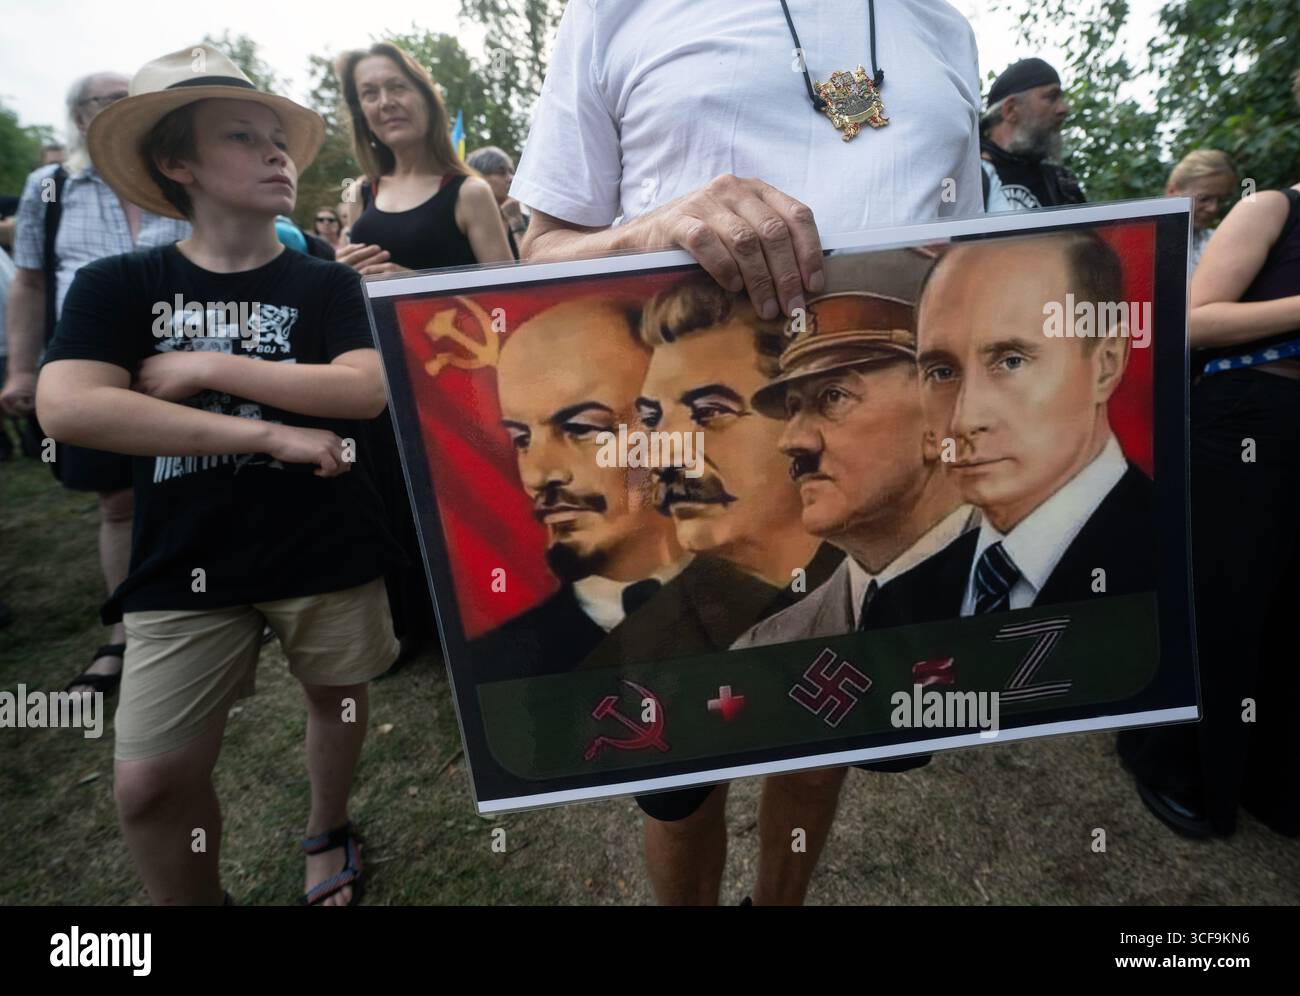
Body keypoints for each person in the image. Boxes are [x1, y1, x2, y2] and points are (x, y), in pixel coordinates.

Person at [509, 0, 983, 903]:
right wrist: (645, 233)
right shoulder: (615, 11)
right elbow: (540, 253)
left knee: (819, 740)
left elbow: (963, 257)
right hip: (721, 515)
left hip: (875, 504)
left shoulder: (946, 26)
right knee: (680, 776)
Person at [35, 45, 401, 905]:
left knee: (336, 701)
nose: (277, 153)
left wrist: (202, 365)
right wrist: (273, 439)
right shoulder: (119, 282)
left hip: (326, 543)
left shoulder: (321, 282)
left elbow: (362, 392)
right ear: (177, 163)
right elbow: (72, 407)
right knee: (150, 782)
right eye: (243, 137)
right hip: (181, 556)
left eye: (279, 138)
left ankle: (328, 827)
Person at [1118, 79, 1300, 839]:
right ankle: (1179, 762)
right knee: (1222, 601)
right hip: (1251, 419)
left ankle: (1271, 776)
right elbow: (1193, 324)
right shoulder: (1275, 208)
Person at [1, 71, 190, 698]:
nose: (115, 110)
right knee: (117, 501)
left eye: (126, 100)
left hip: (185, 363)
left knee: (200, 479)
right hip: (91, 368)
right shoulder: (49, 188)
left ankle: (214, 598)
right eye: (102, 101)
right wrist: (23, 370)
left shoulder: (176, 176)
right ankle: (126, 633)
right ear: (80, 117)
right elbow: (29, 283)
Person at [333, 42, 514, 666]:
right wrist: (343, 275)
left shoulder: (466, 192)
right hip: (383, 379)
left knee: (461, 505)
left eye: (396, 87)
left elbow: (507, 302)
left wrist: (408, 282)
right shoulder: (362, 195)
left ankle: (482, 623)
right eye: (370, 93)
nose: (385, 103)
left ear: (424, 96)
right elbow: (353, 293)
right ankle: (414, 625)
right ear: (361, 113)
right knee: (397, 498)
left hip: (457, 382)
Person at [870, 232, 1153, 625]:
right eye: (941, 371)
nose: (964, 420)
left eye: (1012, 362)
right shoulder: (899, 604)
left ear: (1106, 363)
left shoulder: (1194, 561)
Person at [470, 297, 686, 680]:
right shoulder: (499, 665)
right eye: (522, 440)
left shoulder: (784, 605)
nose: (537, 475)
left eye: (582, 428)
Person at [979, 58, 1086, 212]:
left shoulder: (1062, 183)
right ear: (1011, 110)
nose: (1063, 108)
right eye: (1052, 97)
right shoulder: (970, 178)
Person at [1166, 149, 1238, 270]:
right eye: (1204, 198)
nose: (1213, 208)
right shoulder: (1147, 243)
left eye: (1221, 200)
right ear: (1172, 191)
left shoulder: (1221, 243)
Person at [467, 145, 529, 259]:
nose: (511, 178)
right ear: (478, 178)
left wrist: (516, 221)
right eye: (501, 172)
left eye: (511, 172)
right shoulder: (466, 224)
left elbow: (535, 269)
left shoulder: (527, 221)